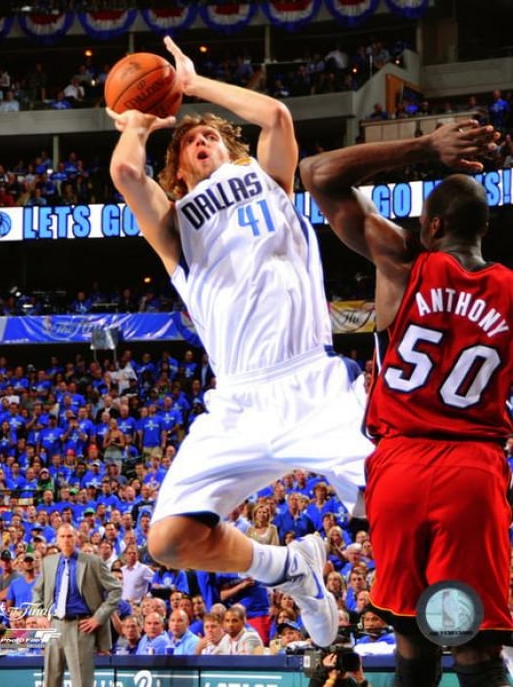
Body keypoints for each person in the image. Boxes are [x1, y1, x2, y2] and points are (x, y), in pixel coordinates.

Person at [108, 35, 373, 651]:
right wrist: (136, 122)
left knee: (400, 501)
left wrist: (195, 86)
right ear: (177, 171)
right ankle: (287, 568)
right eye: (189, 144)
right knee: (168, 541)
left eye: (210, 137)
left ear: (230, 147)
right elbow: (125, 171)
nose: (200, 142)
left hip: (313, 383)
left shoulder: (270, 180)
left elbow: (276, 117)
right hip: (238, 402)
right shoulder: (175, 225)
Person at [300, 120, 513, 686]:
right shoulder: (511, 291)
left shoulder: (401, 262)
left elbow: (316, 173)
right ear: (484, 229)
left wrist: (424, 148)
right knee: (475, 642)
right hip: (474, 470)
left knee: (412, 639)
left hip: (400, 467)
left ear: (432, 225)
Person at [32, 523, 122, 687]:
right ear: (57, 539)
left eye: (69, 536)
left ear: (77, 539)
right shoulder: (48, 562)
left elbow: (116, 590)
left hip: (81, 626)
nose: (66, 540)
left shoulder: (93, 562)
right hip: (54, 626)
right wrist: (39, 613)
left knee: (82, 682)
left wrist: (98, 618)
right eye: (62, 536)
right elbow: (37, 591)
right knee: (50, 681)